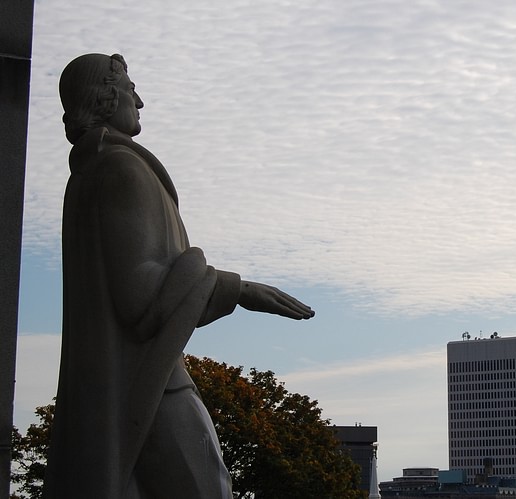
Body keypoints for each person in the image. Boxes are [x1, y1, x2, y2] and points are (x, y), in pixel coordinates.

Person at [44, 53, 314, 499]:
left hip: (126, 385)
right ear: (108, 98)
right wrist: (237, 288)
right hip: (150, 386)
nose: (140, 101)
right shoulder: (121, 169)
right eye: (131, 89)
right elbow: (141, 301)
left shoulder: (94, 172)